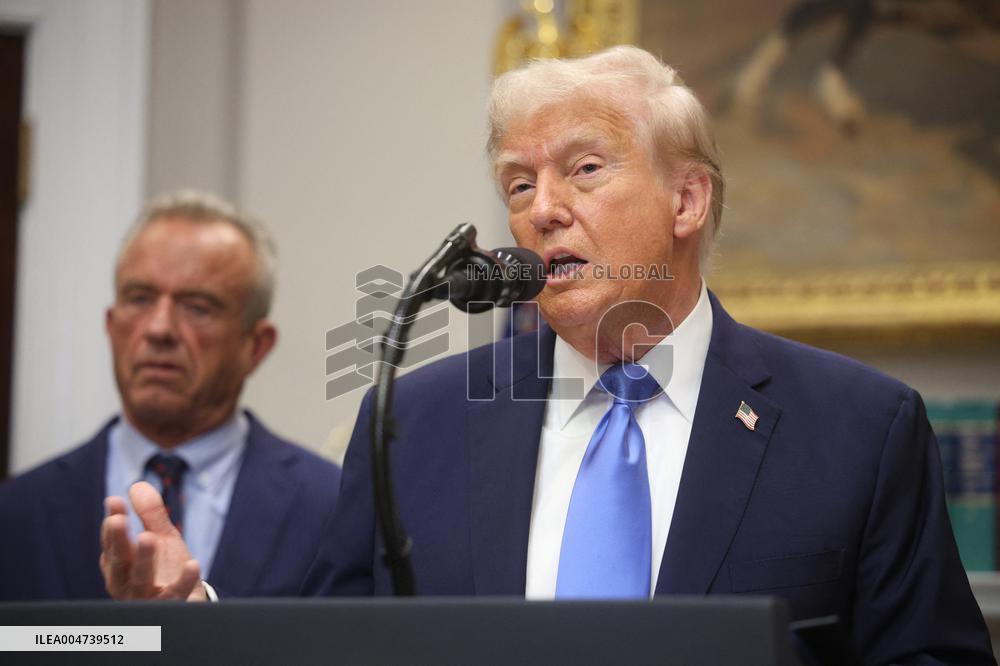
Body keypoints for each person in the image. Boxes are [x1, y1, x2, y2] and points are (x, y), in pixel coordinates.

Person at [102, 49, 993, 663]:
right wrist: (193, 627)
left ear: (688, 199)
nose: (541, 210)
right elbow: (334, 646)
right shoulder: (415, 424)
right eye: (519, 184)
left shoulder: (858, 427)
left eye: (585, 170)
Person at [0, 191, 341, 601]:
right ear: (111, 326)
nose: (159, 328)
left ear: (256, 345)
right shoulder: (18, 510)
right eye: (139, 299)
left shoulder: (331, 508)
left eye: (197, 307)